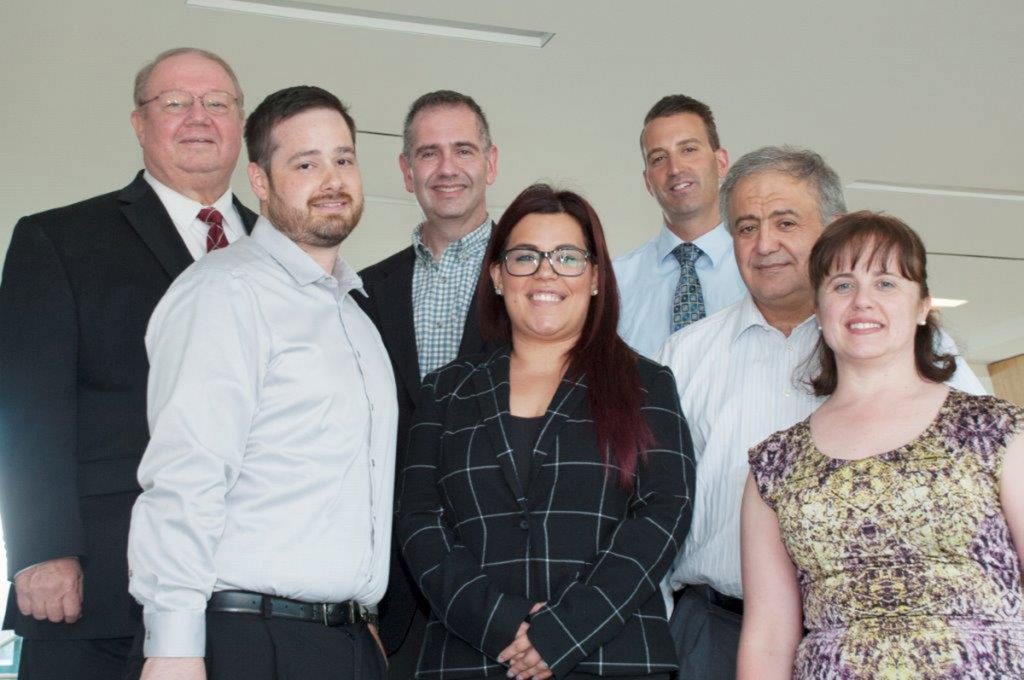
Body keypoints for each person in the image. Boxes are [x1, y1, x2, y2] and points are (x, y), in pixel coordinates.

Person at [657, 146, 986, 680]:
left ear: (833, 229)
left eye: (786, 222)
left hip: (874, 632)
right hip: (716, 631)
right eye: (745, 227)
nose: (765, 245)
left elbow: (975, 469)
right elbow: (654, 506)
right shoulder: (682, 357)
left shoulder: (900, 340)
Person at [0, 47, 255, 680]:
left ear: (240, 124)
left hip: (253, 593)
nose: (199, 116)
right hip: (101, 587)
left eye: (217, 103)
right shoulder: (59, 240)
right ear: (140, 125)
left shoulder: (283, 252)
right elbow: (29, 406)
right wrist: (43, 550)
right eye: (175, 103)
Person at [126, 85, 397, 680]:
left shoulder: (356, 315)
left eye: (343, 159)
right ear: (260, 180)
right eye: (306, 163)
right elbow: (185, 475)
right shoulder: (224, 292)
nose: (332, 178)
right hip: (247, 642)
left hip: (345, 645)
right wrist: (172, 648)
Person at [398, 183, 694, 680]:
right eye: (525, 257)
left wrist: (565, 630)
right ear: (496, 275)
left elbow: (664, 513)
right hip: (471, 657)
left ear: (596, 276)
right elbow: (418, 520)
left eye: (567, 257)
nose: (545, 272)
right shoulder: (445, 392)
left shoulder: (647, 383)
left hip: (611, 656)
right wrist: (499, 623)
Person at [739, 211, 1024, 678]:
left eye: (886, 283)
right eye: (842, 285)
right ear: (819, 307)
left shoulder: (998, 430)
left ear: (922, 307)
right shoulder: (775, 463)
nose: (862, 301)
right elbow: (768, 635)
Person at [356, 89, 498, 677]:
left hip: (501, 580)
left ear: (490, 163)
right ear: (406, 168)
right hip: (395, 595)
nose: (446, 168)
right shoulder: (362, 291)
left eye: (463, 150)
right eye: (428, 152)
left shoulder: (536, 284)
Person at [614, 94, 746, 358]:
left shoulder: (760, 270)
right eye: (659, 158)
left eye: (688, 150)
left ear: (721, 162)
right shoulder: (616, 281)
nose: (675, 168)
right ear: (648, 182)